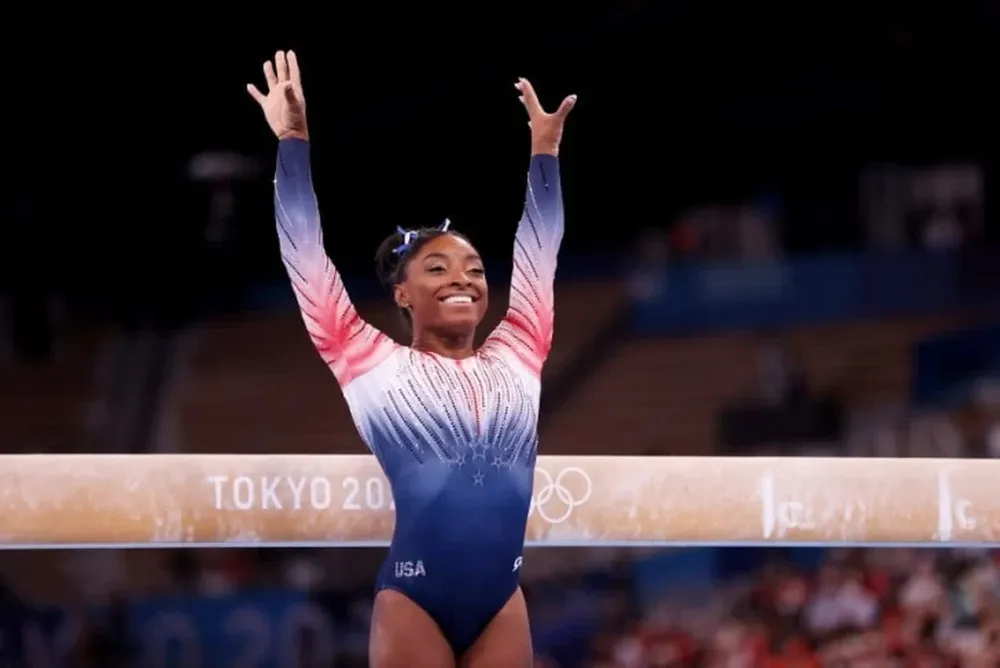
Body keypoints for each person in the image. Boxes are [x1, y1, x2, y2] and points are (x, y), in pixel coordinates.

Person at [247, 51, 576, 667]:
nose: (464, 279)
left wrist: (545, 155)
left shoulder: (521, 347)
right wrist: (292, 141)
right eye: (438, 268)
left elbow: (540, 245)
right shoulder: (367, 358)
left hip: (502, 599)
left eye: (475, 269)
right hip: (415, 600)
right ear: (403, 294)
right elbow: (305, 251)